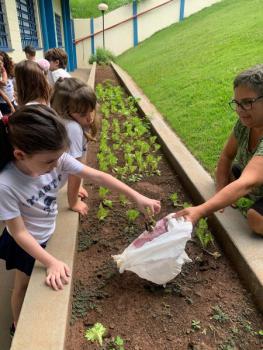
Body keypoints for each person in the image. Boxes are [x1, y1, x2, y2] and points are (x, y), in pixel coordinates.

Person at [0, 104, 160, 332]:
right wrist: (51, 262)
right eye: (50, 162)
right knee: (22, 286)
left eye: (59, 158)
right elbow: (19, 233)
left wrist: (136, 196)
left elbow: (98, 176)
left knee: (24, 282)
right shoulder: (6, 184)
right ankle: (17, 323)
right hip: (27, 244)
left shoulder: (54, 158)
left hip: (44, 231)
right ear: (20, 154)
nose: (58, 165)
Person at [176, 65, 263, 236]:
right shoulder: (246, 124)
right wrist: (220, 190)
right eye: (237, 103)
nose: (239, 110)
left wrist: (201, 210)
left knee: (256, 219)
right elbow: (226, 156)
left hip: (252, 181)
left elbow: (247, 182)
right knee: (226, 177)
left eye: (247, 102)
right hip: (252, 180)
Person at [51, 77, 99, 215]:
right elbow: (75, 170)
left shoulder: (70, 121)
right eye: (83, 114)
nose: (90, 117)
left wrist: (77, 189)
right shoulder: (73, 128)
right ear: (65, 111)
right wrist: (74, 202)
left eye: (92, 110)